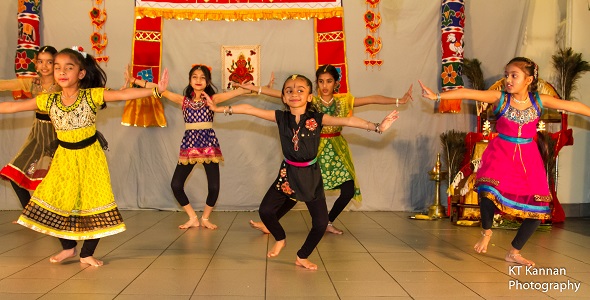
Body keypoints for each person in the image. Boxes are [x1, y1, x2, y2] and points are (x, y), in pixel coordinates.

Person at [207, 74, 399, 269]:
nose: (294, 94)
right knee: (265, 211)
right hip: (288, 174)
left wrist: (377, 127)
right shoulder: (280, 117)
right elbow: (249, 109)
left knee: (320, 223)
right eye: (289, 90)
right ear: (283, 97)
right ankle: (280, 239)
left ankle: (302, 256)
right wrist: (220, 109)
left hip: (311, 176)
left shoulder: (318, 118)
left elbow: (347, 121)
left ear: (309, 97)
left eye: (300, 90)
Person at [0, 46, 169, 267]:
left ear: (80, 73)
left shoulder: (91, 95)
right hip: (64, 158)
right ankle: (68, 248)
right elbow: (13, 106)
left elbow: (122, 94)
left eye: (68, 68)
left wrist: (156, 90)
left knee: (94, 201)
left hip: (90, 157)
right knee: (55, 200)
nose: (61, 72)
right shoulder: (48, 100)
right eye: (57, 67)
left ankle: (87, 253)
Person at [419, 57, 590, 266]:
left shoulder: (539, 100)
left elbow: (572, 106)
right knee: (488, 190)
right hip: (501, 153)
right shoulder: (500, 98)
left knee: (539, 206)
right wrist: (437, 96)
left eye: (514, 75)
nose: (508, 79)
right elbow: (468, 93)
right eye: (506, 74)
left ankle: (514, 251)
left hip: (529, 158)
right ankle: (487, 231)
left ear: (528, 79)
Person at [237, 65, 413, 234]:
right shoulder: (308, 100)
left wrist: (399, 100)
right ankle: (271, 222)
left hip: (337, 149)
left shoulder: (344, 101)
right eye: (320, 81)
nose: (324, 85)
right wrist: (253, 88)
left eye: (329, 81)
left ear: (336, 83)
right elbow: (280, 93)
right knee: (295, 190)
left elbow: (373, 98)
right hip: (315, 149)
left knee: (348, 189)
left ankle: (327, 221)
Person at [132, 65, 250, 230]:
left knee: (214, 187)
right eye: (195, 77)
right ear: (190, 80)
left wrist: (259, 88)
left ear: (208, 81)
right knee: (176, 184)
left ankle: (206, 218)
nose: (198, 80)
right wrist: (136, 81)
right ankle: (193, 217)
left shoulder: (212, 99)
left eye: (202, 77)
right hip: (190, 145)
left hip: (209, 145)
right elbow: (160, 89)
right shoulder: (183, 100)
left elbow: (238, 92)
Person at [0, 46, 60, 208]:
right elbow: (7, 84)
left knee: (57, 179)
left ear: (56, 63)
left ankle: (63, 213)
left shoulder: (62, 83)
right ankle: (29, 212)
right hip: (38, 135)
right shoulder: (33, 83)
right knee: (15, 173)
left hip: (59, 136)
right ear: (35, 63)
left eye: (49, 62)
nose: (44, 66)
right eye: (40, 62)